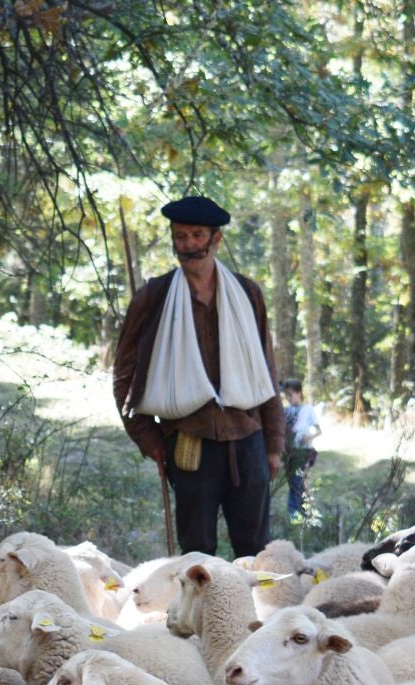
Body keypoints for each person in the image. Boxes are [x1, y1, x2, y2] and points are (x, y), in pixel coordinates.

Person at [112, 195, 285, 558]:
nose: (188, 245)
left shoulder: (247, 294)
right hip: (189, 442)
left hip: (247, 440)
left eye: (197, 235)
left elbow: (265, 371)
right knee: (197, 553)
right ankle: (201, 617)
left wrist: (273, 443)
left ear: (215, 239)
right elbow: (125, 375)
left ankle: (254, 616)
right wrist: (147, 437)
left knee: (256, 551)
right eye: (180, 236)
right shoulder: (154, 298)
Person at [281, 378, 320, 519]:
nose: (289, 398)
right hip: (289, 451)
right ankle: (303, 509)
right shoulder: (286, 411)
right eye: (286, 396)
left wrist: (308, 438)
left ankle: (295, 512)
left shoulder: (308, 410)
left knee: (297, 481)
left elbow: (318, 430)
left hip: (303, 451)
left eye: (291, 395)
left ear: (299, 393)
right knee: (294, 480)